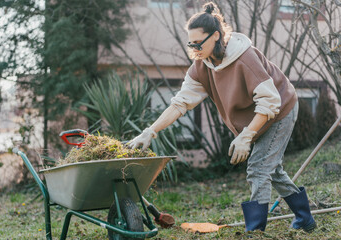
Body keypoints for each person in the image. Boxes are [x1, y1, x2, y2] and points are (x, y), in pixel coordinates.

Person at [128, 2, 316, 232]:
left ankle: (255, 231)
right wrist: (151, 131)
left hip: (280, 110)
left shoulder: (245, 58)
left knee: (258, 168)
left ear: (216, 35)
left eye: (198, 43)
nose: (194, 48)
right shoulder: (202, 66)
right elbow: (180, 104)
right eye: (191, 43)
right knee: (272, 170)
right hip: (259, 116)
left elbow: (271, 101)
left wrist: (246, 136)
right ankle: (305, 218)